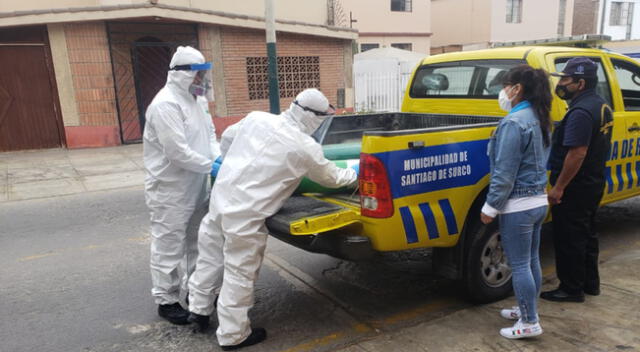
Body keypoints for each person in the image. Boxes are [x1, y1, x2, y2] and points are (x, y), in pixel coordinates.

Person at [187, 88, 358, 350]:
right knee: (239, 273)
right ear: (313, 117)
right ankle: (233, 335)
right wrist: (357, 172)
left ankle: (198, 311)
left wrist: (237, 163)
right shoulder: (304, 146)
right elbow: (333, 178)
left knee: (209, 257)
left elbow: (228, 139)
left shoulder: (258, 118)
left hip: (221, 197)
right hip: (245, 215)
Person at [143, 46, 220, 324]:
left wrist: (217, 156)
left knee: (197, 240)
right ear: (182, 75)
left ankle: (194, 293)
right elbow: (176, 151)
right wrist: (210, 166)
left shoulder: (196, 99)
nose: (201, 80)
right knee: (169, 245)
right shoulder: (165, 104)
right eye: (197, 74)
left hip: (197, 183)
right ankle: (166, 299)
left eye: (203, 74)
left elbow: (209, 132)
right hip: (170, 188)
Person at [480, 65, 552, 339]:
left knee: (519, 264)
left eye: (505, 85)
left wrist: (491, 206)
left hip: (518, 205)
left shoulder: (513, 122)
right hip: (537, 201)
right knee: (530, 259)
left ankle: (529, 321)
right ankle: (526, 309)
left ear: (517, 89)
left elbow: (505, 172)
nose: (502, 92)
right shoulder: (539, 116)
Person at [541, 57, 613, 303]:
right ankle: (590, 283)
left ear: (580, 83)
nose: (561, 84)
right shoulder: (600, 104)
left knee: (570, 237)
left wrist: (559, 187)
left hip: (576, 186)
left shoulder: (581, 112)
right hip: (592, 182)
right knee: (587, 234)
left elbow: (577, 152)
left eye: (565, 80)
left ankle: (571, 289)